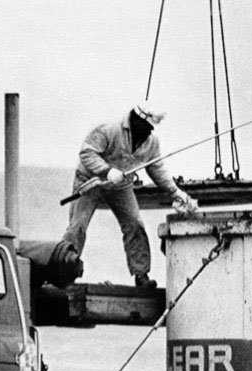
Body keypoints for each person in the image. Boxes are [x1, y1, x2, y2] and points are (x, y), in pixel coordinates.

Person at [61, 104, 196, 287]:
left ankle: (141, 274)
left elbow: (156, 168)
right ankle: (63, 271)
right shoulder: (108, 131)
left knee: (135, 224)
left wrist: (175, 191)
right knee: (78, 226)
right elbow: (87, 152)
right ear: (136, 120)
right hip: (90, 182)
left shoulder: (151, 142)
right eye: (147, 126)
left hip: (121, 186)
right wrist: (107, 171)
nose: (149, 132)